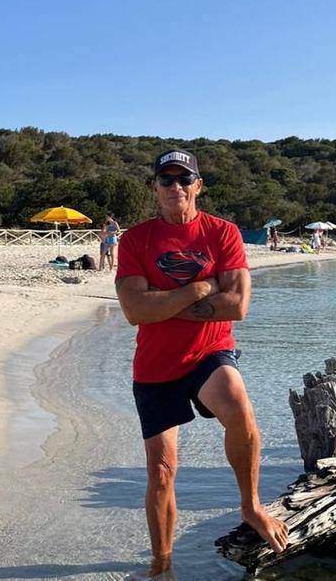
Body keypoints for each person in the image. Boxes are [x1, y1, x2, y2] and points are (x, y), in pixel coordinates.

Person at [115, 149, 288, 578]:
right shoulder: (136, 240)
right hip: (156, 366)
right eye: (167, 180)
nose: (176, 187)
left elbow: (238, 305)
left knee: (239, 408)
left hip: (210, 352)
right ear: (155, 188)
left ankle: (251, 506)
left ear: (199, 185)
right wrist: (198, 290)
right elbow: (135, 310)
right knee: (161, 472)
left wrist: (163, 304)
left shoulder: (223, 233)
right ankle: (162, 563)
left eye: (184, 179)